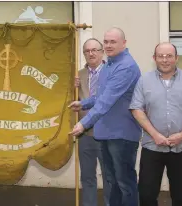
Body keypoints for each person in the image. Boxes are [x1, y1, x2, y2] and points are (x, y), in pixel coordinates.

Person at [69, 27, 142, 206]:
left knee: (125, 183)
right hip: (107, 134)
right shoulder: (110, 64)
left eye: (113, 42)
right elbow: (101, 95)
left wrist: (83, 124)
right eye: (106, 41)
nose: (108, 45)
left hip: (121, 134)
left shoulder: (126, 66)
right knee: (113, 182)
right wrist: (83, 104)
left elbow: (106, 101)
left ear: (124, 43)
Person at [130, 42, 182, 206]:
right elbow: (137, 109)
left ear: (176, 58)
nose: (165, 60)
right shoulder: (144, 81)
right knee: (146, 195)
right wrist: (155, 135)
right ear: (154, 58)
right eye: (161, 56)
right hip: (152, 146)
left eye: (169, 56)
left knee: (180, 196)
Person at [74, 38, 111, 206]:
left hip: (106, 133)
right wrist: (70, 88)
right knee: (87, 177)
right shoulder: (78, 75)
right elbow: (72, 102)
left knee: (109, 176)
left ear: (102, 52)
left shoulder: (111, 72)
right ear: (84, 54)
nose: (91, 53)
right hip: (85, 134)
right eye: (87, 51)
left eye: (95, 50)